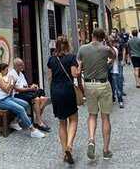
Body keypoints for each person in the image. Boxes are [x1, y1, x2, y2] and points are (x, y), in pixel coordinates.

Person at [77, 28, 116, 161]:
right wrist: (109, 43)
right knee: (105, 117)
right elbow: (114, 56)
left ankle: (91, 139)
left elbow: (79, 67)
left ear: (92, 35)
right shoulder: (105, 49)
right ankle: (105, 150)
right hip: (103, 84)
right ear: (102, 37)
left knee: (92, 115)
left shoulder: (82, 49)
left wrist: (80, 85)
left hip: (89, 85)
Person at [47, 36, 82, 165]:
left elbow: (49, 77)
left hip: (55, 91)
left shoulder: (51, 59)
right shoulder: (71, 58)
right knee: (73, 119)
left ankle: (64, 152)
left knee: (62, 123)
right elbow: (74, 74)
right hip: (67, 90)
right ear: (68, 45)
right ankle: (69, 146)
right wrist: (80, 67)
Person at [0, 63, 45, 138]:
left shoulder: (3, 77)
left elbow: (9, 89)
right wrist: (11, 81)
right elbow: (6, 90)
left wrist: (12, 83)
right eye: (6, 70)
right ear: (2, 70)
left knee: (26, 104)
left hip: (7, 98)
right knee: (21, 109)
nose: (7, 71)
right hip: (0, 101)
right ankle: (33, 130)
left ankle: (14, 122)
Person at [8, 58, 50, 132]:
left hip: (24, 93)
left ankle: (37, 119)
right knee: (36, 99)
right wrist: (30, 89)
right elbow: (16, 89)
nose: (23, 66)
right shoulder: (11, 74)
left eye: (23, 64)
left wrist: (32, 86)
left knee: (44, 99)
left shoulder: (21, 74)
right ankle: (39, 122)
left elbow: (24, 86)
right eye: (21, 65)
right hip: (16, 95)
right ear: (16, 66)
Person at [110, 39, 124, 108]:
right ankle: (113, 98)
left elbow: (112, 61)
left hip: (114, 71)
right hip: (109, 72)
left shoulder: (114, 50)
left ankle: (120, 100)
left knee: (117, 87)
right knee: (112, 88)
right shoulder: (105, 50)